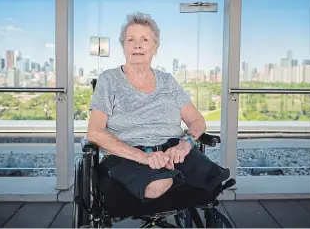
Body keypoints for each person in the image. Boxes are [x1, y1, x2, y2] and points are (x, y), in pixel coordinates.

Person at [86, 12, 229, 202]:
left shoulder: (168, 81)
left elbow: (197, 121)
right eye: (131, 40)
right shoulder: (109, 80)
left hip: (173, 152)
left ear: (155, 48)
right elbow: (94, 132)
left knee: (215, 179)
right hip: (127, 156)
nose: (137, 45)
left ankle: (175, 174)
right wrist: (144, 157)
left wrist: (186, 144)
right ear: (124, 47)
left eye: (145, 39)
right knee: (157, 185)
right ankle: (171, 178)